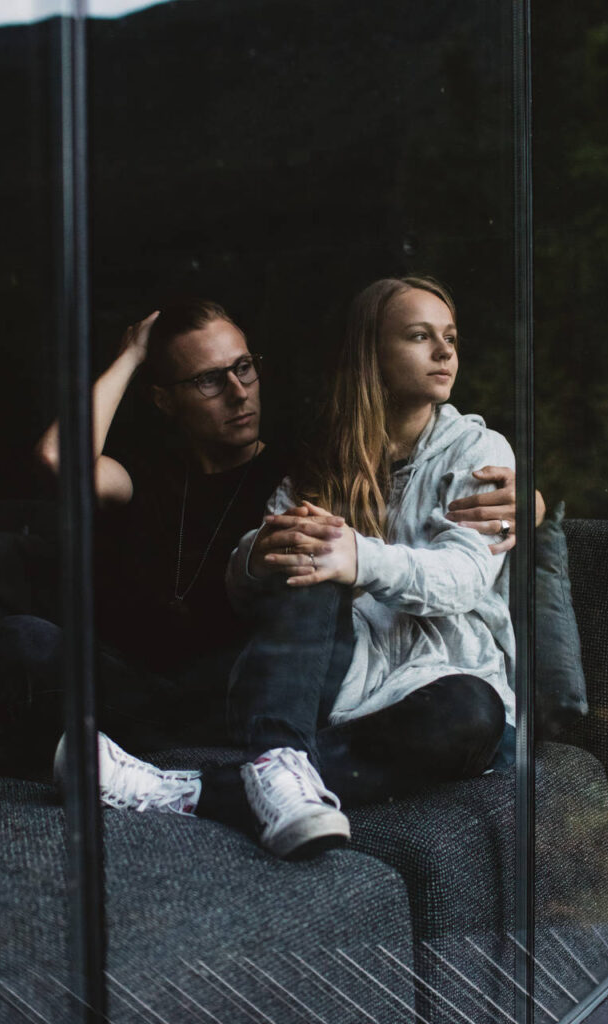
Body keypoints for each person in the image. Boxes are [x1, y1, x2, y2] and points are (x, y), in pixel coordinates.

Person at [0, 296, 528, 783]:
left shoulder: (297, 466)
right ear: (165, 400)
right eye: (209, 380)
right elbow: (58, 460)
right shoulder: (143, 475)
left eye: (245, 369)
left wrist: (526, 500)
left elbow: (402, 478)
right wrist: (132, 355)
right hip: (107, 672)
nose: (239, 392)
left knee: (23, 643)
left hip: (196, 692)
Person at [92, 277, 522, 860]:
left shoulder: (479, 451)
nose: (445, 352)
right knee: (307, 553)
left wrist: (358, 556)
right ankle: (280, 762)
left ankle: (188, 790)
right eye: (420, 337)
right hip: (341, 689)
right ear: (371, 354)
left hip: (439, 691)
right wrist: (255, 556)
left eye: (450, 337)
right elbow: (254, 570)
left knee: (473, 711)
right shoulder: (324, 456)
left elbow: (465, 578)